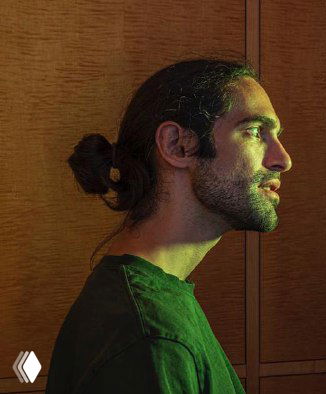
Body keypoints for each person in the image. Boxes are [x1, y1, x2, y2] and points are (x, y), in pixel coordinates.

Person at [45, 58, 292, 393]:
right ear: (178, 145)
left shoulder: (153, 305)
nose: (282, 159)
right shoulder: (151, 338)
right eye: (253, 132)